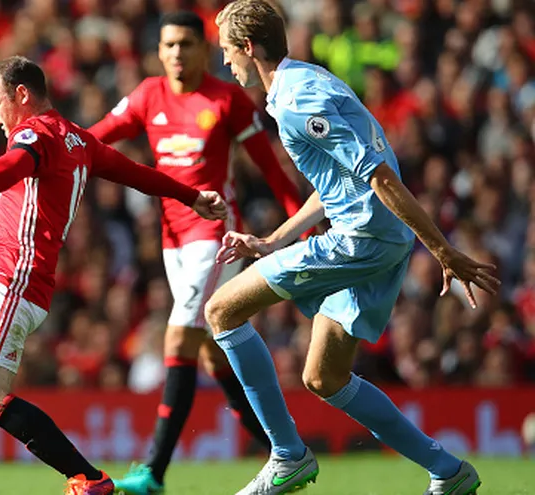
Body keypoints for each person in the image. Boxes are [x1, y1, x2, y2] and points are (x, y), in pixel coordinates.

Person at [0, 55, 229, 495]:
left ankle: (89, 479)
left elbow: (9, 168)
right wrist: (191, 196)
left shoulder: (34, 135)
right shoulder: (77, 139)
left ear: (22, 95)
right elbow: (136, 174)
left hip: (10, 286)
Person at [205, 1, 499, 494]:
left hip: (359, 240)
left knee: (221, 311)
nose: (227, 63)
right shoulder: (306, 82)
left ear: (249, 48)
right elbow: (342, 178)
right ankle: (449, 472)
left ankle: (286, 457)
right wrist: (273, 240)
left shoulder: (298, 101)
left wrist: (444, 250)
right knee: (324, 375)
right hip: (380, 237)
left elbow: (379, 176)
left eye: (227, 52)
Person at [89, 11, 304, 494]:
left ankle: (153, 472)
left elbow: (271, 170)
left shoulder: (227, 99)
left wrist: (298, 227)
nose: (177, 53)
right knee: (212, 353)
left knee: (178, 338)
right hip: (172, 241)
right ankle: (281, 446)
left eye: (187, 43)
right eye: (169, 45)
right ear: (159, 51)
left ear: (203, 49)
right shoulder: (148, 96)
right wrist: (55, 148)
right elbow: (96, 137)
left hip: (215, 237)